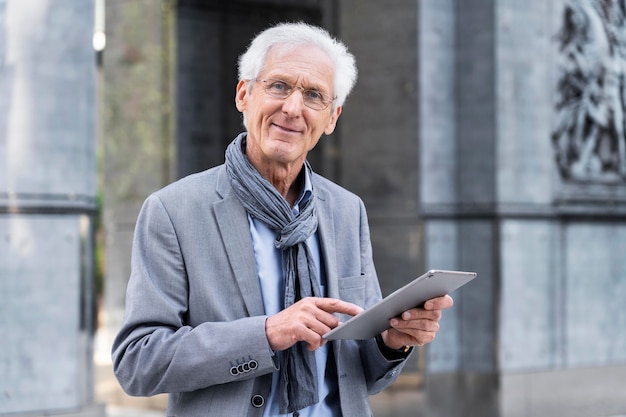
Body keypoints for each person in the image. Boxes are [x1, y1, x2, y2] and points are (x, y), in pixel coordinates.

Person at [111, 22, 453, 417]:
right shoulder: (172, 211)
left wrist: (394, 342)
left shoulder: (346, 211)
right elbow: (137, 363)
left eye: (313, 95)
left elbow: (361, 375)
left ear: (331, 118)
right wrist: (267, 334)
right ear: (244, 94)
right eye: (278, 86)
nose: (293, 108)